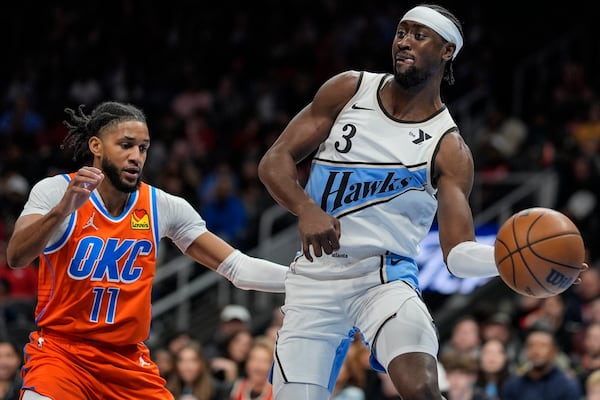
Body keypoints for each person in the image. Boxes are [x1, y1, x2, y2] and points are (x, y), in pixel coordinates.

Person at [257, 4, 587, 400]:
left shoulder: (449, 148)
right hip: (315, 278)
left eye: (418, 35)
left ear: (447, 51)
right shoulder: (349, 89)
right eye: (401, 32)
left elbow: (457, 253)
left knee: (423, 389)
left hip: (383, 279)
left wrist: (509, 259)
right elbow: (274, 160)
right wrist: (306, 208)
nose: (403, 42)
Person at [5, 101, 288, 400]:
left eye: (143, 148)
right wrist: (61, 212)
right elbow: (16, 256)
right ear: (96, 146)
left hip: (127, 360)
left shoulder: (163, 205)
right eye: (126, 145)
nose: (135, 157)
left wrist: (307, 278)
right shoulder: (55, 191)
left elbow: (237, 268)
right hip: (62, 353)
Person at [501, 325, 581, 400]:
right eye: (531, 345)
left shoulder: (567, 386)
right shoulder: (513, 385)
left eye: (543, 345)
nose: (536, 351)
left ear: (554, 351)